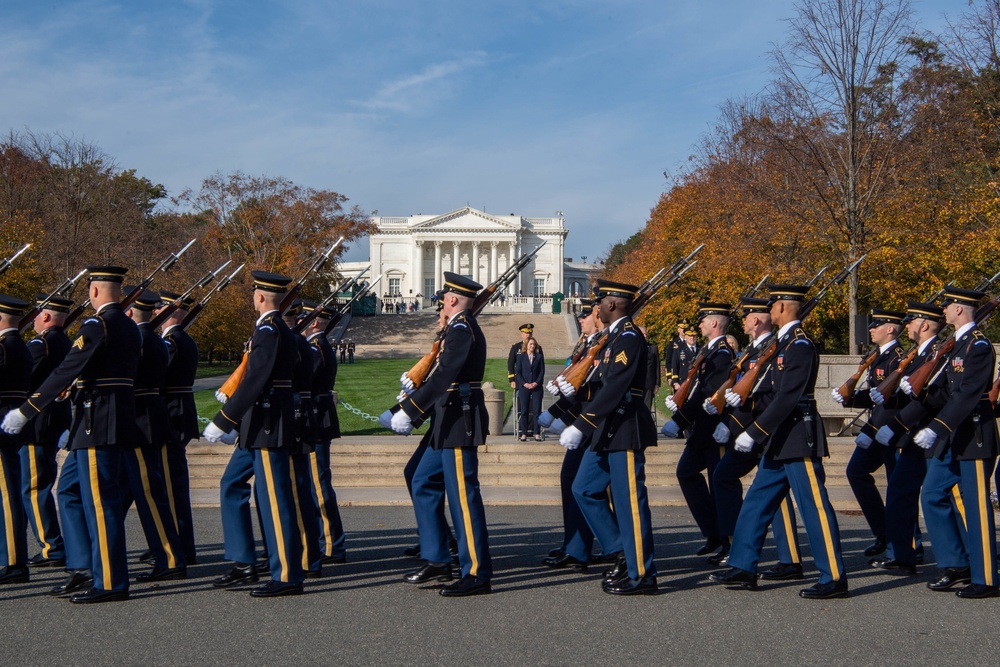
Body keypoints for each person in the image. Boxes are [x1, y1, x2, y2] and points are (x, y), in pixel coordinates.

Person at [4, 266, 141, 603]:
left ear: (95, 291)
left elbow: (69, 368)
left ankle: (109, 581)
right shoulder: (128, 326)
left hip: (99, 422)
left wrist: (27, 409)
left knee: (100, 503)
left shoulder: (99, 324)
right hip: (98, 420)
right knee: (68, 492)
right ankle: (82, 566)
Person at [710, 283, 848, 599]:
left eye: (772, 305)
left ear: (783, 307)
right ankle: (744, 566)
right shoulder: (779, 344)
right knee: (757, 502)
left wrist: (753, 432)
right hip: (779, 439)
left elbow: (789, 398)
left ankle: (834, 577)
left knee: (814, 507)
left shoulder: (800, 345)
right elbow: (771, 394)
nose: (769, 311)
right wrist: (741, 406)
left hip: (799, 437)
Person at [382, 271, 493, 597]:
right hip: (445, 420)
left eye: (444, 296)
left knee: (463, 496)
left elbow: (445, 376)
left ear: (454, 299)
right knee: (419, 477)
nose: (441, 300)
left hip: (459, 421)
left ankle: (476, 572)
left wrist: (411, 412)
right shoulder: (455, 330)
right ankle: (437, 556)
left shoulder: (462, 329)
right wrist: (407, 405)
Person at [203, 270, 305, 597]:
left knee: (274, 499)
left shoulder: (271, 331)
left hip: (268, 423)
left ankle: (287, 575)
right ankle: (243, 562)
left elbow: (255, 380)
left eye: (254, 294)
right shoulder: (270, 330)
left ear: (260, 297)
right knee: (231, 483)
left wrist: (224, 419)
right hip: (257, 423)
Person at [561, 279, 659, 595]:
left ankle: (642, 573)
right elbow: (602, 384)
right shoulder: (612, 337)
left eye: (600, 301)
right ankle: (619, 550)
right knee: (584, 488)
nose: (596, 307)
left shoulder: (628, 337)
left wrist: (582, 424)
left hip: (625, 427)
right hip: (607, 427)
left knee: (630, 501)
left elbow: (617, 387)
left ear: (613, 304)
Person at [900, 287, 998, 598]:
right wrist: (917, 395)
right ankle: (956, 563)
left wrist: (938, 427)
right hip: (953, 434)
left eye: (948, 306)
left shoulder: (978, 346)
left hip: (974, 435)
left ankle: (987, 579)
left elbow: (968, 394)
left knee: (976, 506)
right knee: (932, 494)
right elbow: (942, 392)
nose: (943, 311)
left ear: (959, 310)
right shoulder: (956, 345)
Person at [709, 297, 804, 575]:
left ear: (757, 319)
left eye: (747, 315)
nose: (743, 321)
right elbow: (745, 391)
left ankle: (790, 559)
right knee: (736, 481)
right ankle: (742, 553)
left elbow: (772, 396)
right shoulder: (753, 350)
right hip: (753, 429)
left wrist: (740, 425)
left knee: (777, 494)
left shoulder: (777, 346)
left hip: (768, 430)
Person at [868, 300, 945, 575]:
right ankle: (903, 555)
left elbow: (936, 397)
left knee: (946, 499)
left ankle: (965, 561)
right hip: (911, 435)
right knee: (900, 492)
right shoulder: (917, 354)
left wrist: (896, 425)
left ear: (923, 325)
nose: (907, 325)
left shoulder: (938, 353)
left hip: (934, 434)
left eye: (911, 320)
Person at [539, 298, 616, 570]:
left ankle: (607, 548)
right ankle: (576, 546)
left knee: (584, 486)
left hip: (591, 426)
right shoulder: (586, 345)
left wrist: (568, 419)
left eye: (585, 315)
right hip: (581, 424)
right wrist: (556, 412)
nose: (580, 319)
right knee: (572, 481)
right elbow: (578, 389)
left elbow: (595, 393)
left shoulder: (604, 344)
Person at [120, 288, 187, 583]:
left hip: (140, 422)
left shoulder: (141, 340)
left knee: (150, 494)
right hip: (147, 420)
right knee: (142, 492)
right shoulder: (155, 340)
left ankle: (170, 558)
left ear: (130, 312)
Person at [832, 308, 906, 558]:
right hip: (877, 428)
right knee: (856, 472)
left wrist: (870, 428)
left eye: (877, 325)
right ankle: (883, 532)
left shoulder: (899, 358)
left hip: (893, 430)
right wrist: (848, 397)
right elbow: (876, 396)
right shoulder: (877, 356)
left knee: (899, 487)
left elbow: (896, 400)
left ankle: (908, 545)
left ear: (891, 329)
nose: (871, 328)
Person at [661, 302, 733, 558]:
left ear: (714, 323)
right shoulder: (708, 351)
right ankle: (713, 532)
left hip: (714, 432)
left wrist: (679, 420)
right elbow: (695, 387)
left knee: (720, 486)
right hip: (701, 430)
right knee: (686, 473)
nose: (699, 324)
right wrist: (678, 400)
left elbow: (707, 392)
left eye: (703, 319)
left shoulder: (723, 354)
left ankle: (730, 542)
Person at [19, 294, 73, 569]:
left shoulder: (42, 345)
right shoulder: (65, 341)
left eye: (38, 314)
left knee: (34, 488)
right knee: (36, 485)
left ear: (46, 316)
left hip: (36, 425)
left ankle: (52, 546)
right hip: (52, 423)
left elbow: (24, 379)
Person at [299, 300, 348, 565]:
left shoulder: (316, 349)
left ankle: (332, 545)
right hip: (315, 420)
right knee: (314, 484)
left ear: (315, 322)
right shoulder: (315, 346)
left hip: (316, 421)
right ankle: (323, 540)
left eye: (304, 319)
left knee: (319, 486)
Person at [156, 289, 201, 565]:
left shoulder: (171, 340)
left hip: (170, 415)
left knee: (171, 487)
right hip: (179, 414)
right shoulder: (182, 338)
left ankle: (180, 547)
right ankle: (176, 543)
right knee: (171, 484)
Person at [0, 294, 33, 585]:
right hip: (9, 426)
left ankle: (13, 561)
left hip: (1, 427)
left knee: (7, 496)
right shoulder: (19, 346)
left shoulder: (5, 348)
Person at [515, 337, 545, 441]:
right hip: (524, 387)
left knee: (537, 410)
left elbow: (542, 372)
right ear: (526, 345)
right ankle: (524, 433)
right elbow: (518, 372)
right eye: (530, 344)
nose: (532, 346)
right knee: (524, 411)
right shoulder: (521, 357)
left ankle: (536, 433)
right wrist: (524, 384)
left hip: (536, 387)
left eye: (533, 344)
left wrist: (536, 383)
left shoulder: (539, 357)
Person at [639, 326, 661, 412]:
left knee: (647, 408)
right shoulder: (634, 347)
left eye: (646, 334)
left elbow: (657, 366)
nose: (644, 336)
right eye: (642, 334)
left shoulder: (653, 348)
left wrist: (657, 384)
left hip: (649, 383)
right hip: (637, 383)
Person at [507, 323, 533, 389]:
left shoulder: (537, 348)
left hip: (533, 382)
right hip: (520, 381)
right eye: (526, 333)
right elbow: (511, 364)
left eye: (530, 333)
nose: (528, 335)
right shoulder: (516, 347)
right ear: (521, 334)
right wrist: (512, 380)